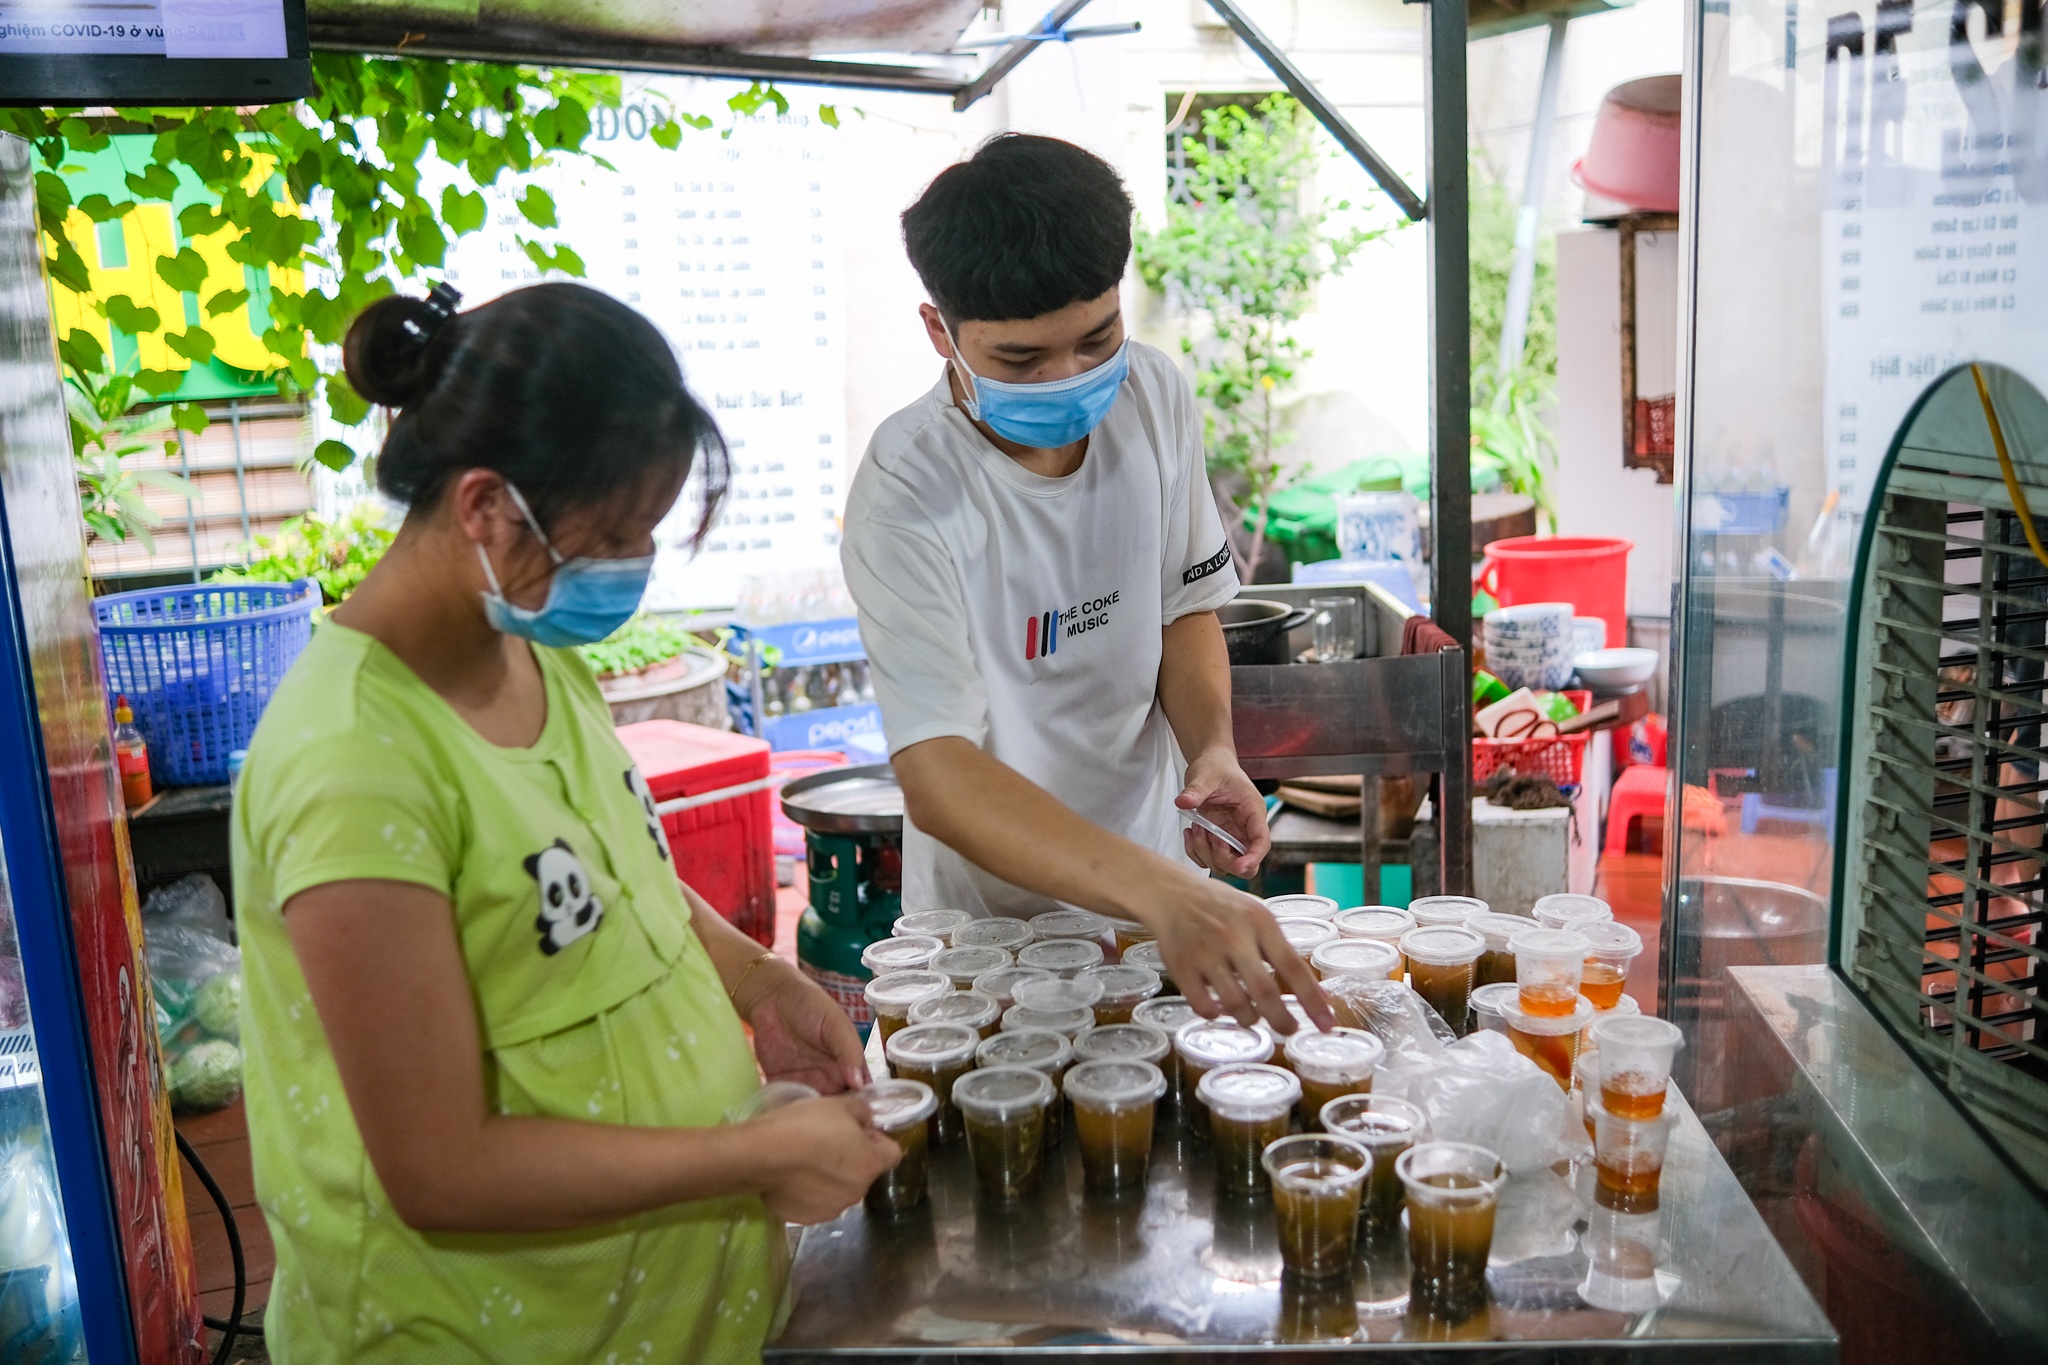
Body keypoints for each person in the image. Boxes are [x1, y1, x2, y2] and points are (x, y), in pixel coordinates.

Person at [230, 282, 899, 1364]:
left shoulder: (533, 653)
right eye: (613, 533)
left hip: (659, 1315)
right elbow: (438, 1169)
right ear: (487, 506)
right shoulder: (354, 758)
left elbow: (607, 876)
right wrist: (747, 1157)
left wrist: (754, 979)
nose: (631, 564)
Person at [841, 135, 1329, 1034]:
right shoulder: (906, 492)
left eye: (1096, 340)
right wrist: (1164, 892)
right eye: (1022, 361)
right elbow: (941, 776)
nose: (1069, 379)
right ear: (939, 331)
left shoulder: (1153, 397)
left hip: (1153, 918)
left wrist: (1210, 748)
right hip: (983, 941)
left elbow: (1184, 605)